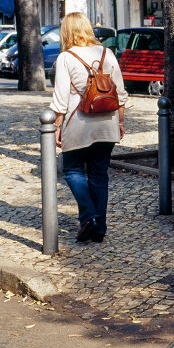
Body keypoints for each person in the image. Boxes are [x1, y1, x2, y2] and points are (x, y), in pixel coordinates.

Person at [49, 13, 128, 244]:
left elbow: (61, 98)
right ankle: (99, 229)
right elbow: (120, 93)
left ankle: (89, 216)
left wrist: (56, 127)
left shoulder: (66, 57)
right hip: (108, 122)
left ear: (66, 31)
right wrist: (121, 122)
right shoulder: (107, 53)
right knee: (99, 174)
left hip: (79, 123)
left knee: (71, 169)